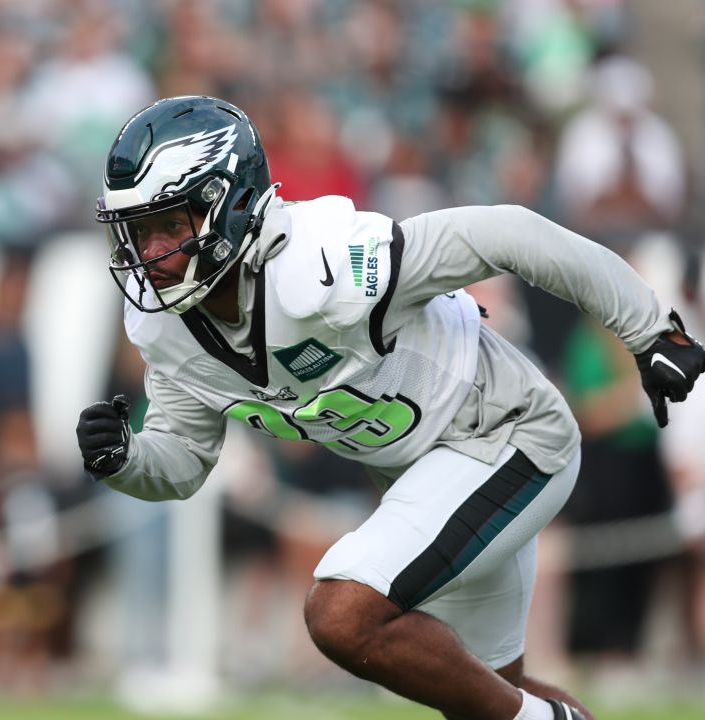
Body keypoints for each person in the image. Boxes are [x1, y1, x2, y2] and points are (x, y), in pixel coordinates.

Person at [75, 95, 705, 720]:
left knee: (342, 612)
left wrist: (651, 330)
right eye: (137, 230)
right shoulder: (170, 329)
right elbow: (183, 459)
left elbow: (508, 232)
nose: (149, 252)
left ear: (228, 206)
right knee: (490, 691)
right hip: (425, 474)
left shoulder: (326, 267)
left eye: (169, 225)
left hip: (503, 433)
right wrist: (126, 459)